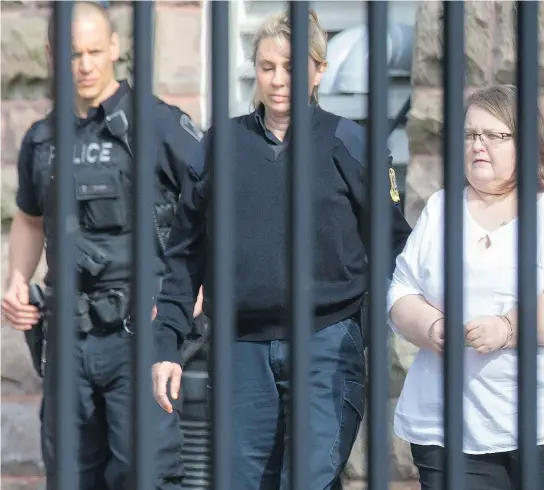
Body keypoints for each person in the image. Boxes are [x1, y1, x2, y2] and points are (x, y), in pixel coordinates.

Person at [151, 9, 412, 490]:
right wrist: (165, 344)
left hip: (327, 343)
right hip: (239, 349)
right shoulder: (218, 147)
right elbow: (185, 255)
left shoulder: (352, 144)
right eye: (268, 66)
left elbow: (395, 247)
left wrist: (366, 329)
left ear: (318, 69)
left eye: (292, 67)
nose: (278, 80)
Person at [0, 2, 204, 489]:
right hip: (67, 338)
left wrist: (198, 288)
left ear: (115, 47)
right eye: (73, 53)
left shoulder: (159, 126)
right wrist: (15, 280)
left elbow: (217, 207)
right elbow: (29, 220)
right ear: (52, 56)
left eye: (95, 50)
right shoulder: (42, 139)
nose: (85, 64)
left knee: (146, 475)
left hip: (141, 336)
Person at [387, 84, 544, 490]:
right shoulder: (442, 209)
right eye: (470, 134)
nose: (478, 145)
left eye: (495, 135)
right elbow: (401, 290)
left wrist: (507, 329)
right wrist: (431, 328)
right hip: (452, 431)